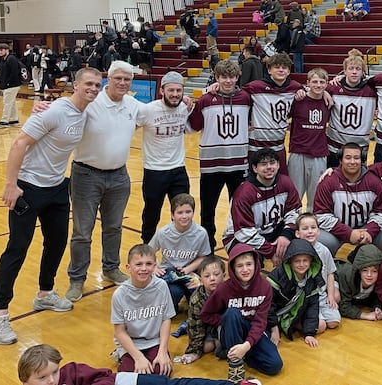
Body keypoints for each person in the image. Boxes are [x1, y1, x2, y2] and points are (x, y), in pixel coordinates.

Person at [0, 67, 102, 346]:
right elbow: (19, 143)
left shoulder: (85, 112)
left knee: (56, 243)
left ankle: (44, 294)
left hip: (57, 187)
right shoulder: (54, 111)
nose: (93, 88)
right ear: (75, 85)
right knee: (17, 248)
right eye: (88, 83)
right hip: (29, 187)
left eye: (97, 84)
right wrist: (10, 185)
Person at [66, 61, 142, 302]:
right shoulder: (91, 102)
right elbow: (65, 109)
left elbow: (161, 110)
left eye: (127, 79)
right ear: (109, 78)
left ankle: (110, 267)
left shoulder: (133, 104)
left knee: (114, 227)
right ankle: (77, 279)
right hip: (86, 175)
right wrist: (42, 106)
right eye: (118, 78)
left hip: (119, 176)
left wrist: (185, 101)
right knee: (82, 232)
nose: (122, 83)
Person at [188, 59, 251, 251]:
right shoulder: (206, 100)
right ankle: (207, 246)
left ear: (237, 77)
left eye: (232, 77)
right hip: (211, 165)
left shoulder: (246, 98)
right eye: (224, 77)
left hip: (238, 164)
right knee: (208, 210)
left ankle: (238, 244)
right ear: (217, 77)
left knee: (239, 209)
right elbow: (193, 126)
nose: (228, 81)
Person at [200, 244, 283, 382]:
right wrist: (225, 321)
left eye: (249, 264)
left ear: (256, 264)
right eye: (240, 266)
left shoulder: (265, 287)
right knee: (232, 313)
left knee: (275, 365)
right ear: (232, 268)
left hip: (253, 330)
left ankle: (235, 353)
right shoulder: (224, 289)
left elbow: (260, 322)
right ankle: (235, 363)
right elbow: (205, 314)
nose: (245, 269)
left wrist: (246, 346)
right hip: (231, 328)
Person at [17, 344, 252, 385]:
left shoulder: (71, 372)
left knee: (175, 384)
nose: (51, 380)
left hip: (123, 382)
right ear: (25, 380)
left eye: (54, 372)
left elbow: (105, 377)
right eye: (42, 378)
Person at [137, 71, 193, 244]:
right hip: (154, 171)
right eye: (171, 90)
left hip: (178, 169)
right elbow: (127, 128)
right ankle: (147, 245)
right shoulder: (148, 110)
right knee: (152, 213)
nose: (175, 94)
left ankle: (180, 246)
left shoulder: (185, 107)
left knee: (183, 211)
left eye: (178, 90)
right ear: (162, 90)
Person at [227, 148, 301, 266]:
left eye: (272, 163)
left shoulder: (285, 182)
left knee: (301, 248)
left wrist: (286, 235)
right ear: (255, 168)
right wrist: (272, 252)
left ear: (278, 165)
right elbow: (244, 232)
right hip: (240, 237)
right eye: (263, 164)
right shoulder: (244, 193)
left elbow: (294, 211)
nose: (269, 167)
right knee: (249, 262)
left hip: (274, 232)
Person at [313, 142, 382, 256]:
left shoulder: (373, 181)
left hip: (364, 229)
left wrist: (370, 231)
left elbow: (381, 212)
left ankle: (371, 260)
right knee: (322, 240)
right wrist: (348, 233)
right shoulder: (328, 181)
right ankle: (328, 267)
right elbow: (321, 215)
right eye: (348, 158)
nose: (352, 162)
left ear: (362, 159)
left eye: (356, 158)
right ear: (340, 160)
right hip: (336, 231)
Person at [111, 244, 175, 374]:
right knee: (129, 375)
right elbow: (119, 332)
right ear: (128, 268)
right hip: (131, 343)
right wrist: (138, 357)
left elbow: (166, 320)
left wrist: (163, 352)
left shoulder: (161, 286)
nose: (144, 268)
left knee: (162, 370)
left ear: (155, 266)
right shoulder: (120, 294)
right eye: (138, 264)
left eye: (149, 264)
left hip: (154, 342)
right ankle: (121, 355)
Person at [242, 53, 303, 174]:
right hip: (256, 146)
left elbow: (315, 90)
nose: (281, 70)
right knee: (254, 184)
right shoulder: (255, 87)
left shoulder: (294, 87)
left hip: (278, 147)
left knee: (280, 185)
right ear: (269, 70)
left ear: (289, 71)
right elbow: (234, 95)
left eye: (284, 67)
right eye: (277, 67)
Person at [149, 193, 210, 312]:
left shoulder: (201, 233)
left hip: (191, 273)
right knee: (173, 295)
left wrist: (188, 269)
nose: (184, 216)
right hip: (170, 274)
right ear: (172, 215)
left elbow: (203, 257)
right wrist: (155, 267)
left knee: (199, 302)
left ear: (193, 212)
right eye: (180, 212)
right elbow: (149, 252)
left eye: (188, 212)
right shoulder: (163, 233)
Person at [266, 239, 325, 347]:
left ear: (311, 261)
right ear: (289, 261)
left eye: (305, 260)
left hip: (294, 312)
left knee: (321, 326)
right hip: (272, 315)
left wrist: (309, 334)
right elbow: (268, 306)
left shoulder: (312, 277)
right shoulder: (277, 277)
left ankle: (291, 325)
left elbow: (312, 306)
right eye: (297, 261)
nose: (302, 264)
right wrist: (273, 328)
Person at [325, 49, 376, 167]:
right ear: (344, 71)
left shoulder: (372, 90)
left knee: (357, 182)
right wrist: (324, 92)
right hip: (335, 145)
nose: (354, 72)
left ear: (363, 72)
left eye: (358, 69)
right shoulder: (333, 87)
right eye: (351, 69)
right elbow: (313, 89)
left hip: (359, 148)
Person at [289, 68, 330, 212]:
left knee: (315, 196)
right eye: (314, 82)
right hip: (298, 153)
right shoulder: (298, 100)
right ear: (308, 83)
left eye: (322, 82)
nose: (318, 85)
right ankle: (293, 227)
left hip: (319, 154)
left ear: (326, 84)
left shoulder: (328, 102)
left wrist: (326, 93)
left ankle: (312, 228)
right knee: (295, 196)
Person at [295, 213, 341, 331]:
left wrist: (330, 295)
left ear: (319, 231)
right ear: (297, 233)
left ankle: (318, 315)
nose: (310, 231)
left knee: (334, 322)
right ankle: (297, 323)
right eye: (305, 229)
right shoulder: (295, 252)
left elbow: (330, 273)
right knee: (320, 326)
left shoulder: (324, 251)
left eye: (313, 227)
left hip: (321, 295)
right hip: (304, 297)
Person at [180, 256, 226, 364]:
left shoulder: (229, 292)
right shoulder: (196, 300)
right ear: (201, 280)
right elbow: (196, 326)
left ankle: (221, 341)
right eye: (207, 276)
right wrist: (195, 351)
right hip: (207, 328)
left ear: (224, 276)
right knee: (204, 348)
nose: (212, 278)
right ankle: (216, 342)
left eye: (216, 274)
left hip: (224, 326)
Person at [336, 244, 382, 321]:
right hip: (333, 277)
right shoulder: (347, 277)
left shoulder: (379, 281)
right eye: (365, 270)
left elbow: (375, 298)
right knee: (336, 297)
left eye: (374, 271)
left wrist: (377, 308)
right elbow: (344, 306)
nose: (369, 275)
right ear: (359, 270)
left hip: (354, 296)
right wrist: (364, 315)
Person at [0, 43, 21, 127]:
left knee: (7, 102)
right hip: (7, 84)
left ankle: (4, 120)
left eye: (1, 50)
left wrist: (7, 83)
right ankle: (14, 119)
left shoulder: (11, 59)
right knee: (12, 102)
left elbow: (14, 73)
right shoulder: (2, 59)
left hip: (12, 85)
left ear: (7, 50)